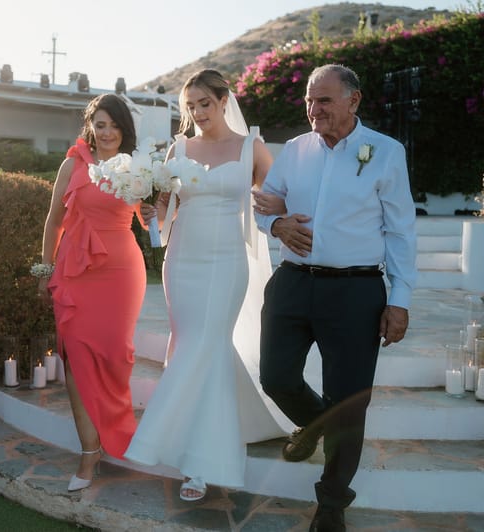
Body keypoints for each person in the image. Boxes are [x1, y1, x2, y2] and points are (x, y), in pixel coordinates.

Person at [255, 64, 417, 532]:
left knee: (350, 397)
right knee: (276, 376)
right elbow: (265, 202)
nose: (313, 108)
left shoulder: (385, 153)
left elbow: (401, 231)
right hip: (291, 282)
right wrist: (276, 225)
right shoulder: (294, 151)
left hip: (355, 291)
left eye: (324, 100)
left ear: (354, 101)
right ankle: (319, 422)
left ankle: (331, 504)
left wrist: (399, 299)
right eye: (309, 99)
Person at [124, 69, 289, 502]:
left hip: (228, 263)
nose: (197, 113)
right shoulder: (179, 148)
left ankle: (198, 463)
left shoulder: (251, 147)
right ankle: (226, 433)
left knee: (207, 345)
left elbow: (281, 197)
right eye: (190, 106)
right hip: (184, 262)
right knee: (194, 345)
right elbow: (161, 213)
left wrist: (279, 211)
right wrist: (149, 215)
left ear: (222, 100)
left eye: (204, 104)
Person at [37, 94, 146, 492]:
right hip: (76, 272)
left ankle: (116, 430)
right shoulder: (73, 164)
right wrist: (44, 269)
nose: (107, 133)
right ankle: (89, 451)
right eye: (100, 124)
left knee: (116, 354)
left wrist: (155, 208)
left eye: (115, 125)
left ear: (124, 130)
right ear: (90, 126)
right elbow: (53, 221)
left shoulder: (137, 166)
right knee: (77, 357)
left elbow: (150, 218)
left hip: (121, 270)